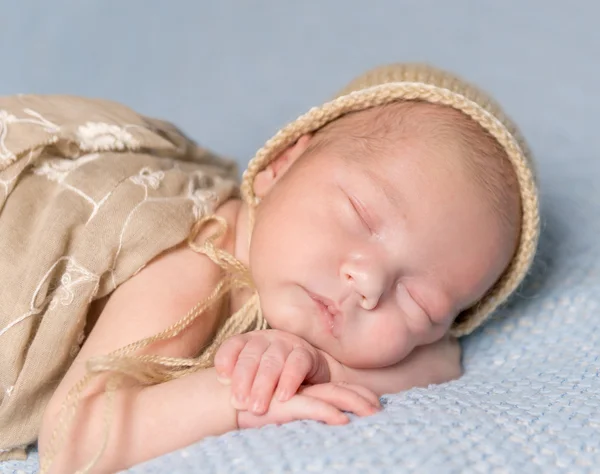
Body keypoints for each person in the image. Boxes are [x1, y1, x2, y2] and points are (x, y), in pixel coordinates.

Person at [0, 63, 540, 473]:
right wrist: (239, 396)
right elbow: (73, 441)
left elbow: (442, 360)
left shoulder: (309, 294)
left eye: (421, 303)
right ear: (279, 168)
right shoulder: (194, 264)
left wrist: (317, 365)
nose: (370, 283)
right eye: (360, 215)